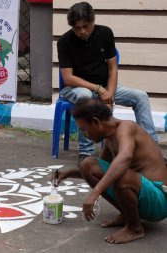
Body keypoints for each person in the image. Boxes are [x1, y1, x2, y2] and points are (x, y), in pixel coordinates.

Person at [52, 98, 167, 244]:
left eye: (84, 129)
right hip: (143, 194)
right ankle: (127, 216)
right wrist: (68, 173)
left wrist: (94, 194)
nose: (85, 135)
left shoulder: (126, 128)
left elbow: (124, 158)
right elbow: (98, 170)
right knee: (88, 165)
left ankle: (135, 228)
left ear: (95, 122)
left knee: (120, 171)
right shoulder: (109, 138)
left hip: (159, 201)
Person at [57, 2, 158, 164]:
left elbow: (113, 68)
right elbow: (68, 78)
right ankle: (86, 153)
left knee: (141, 96)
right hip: (75, 89)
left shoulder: (105, 33)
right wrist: (99, 90)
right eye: (77, 28)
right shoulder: (64, 42)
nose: (82, 31)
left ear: (93, 21)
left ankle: (152, 147)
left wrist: (109, 94)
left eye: (86, 26)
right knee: (87, 97)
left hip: (106, 86)